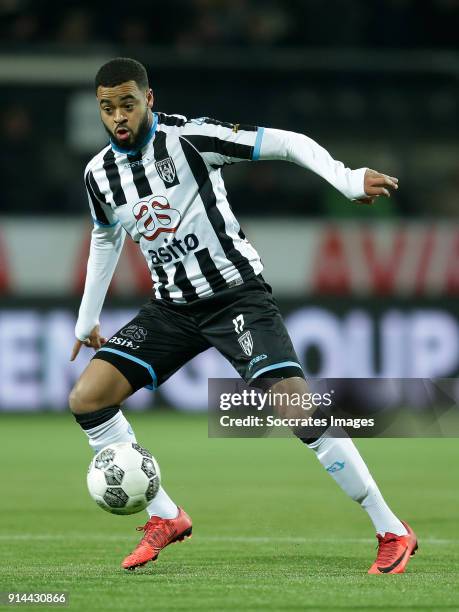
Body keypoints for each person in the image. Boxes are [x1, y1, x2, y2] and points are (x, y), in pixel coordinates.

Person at [69, 57, 418, 574]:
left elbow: (287, 142)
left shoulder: (191, 139)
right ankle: (165, 515)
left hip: (236, 297)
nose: (118, 116)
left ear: (149, 99)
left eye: (127, 103)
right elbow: (105, 236)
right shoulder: (99, 173)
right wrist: (87, 318)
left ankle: (391, 528)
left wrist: (344, 178)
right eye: (107, 107)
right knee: (88, 398)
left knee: (298, 411)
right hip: (172, 308)